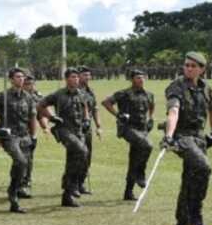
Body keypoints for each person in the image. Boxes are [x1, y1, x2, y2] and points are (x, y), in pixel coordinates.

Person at [162, 52, 212, 225]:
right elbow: (173, 111)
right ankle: (196, 214)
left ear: (202, 69)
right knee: (204, 168)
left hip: (199, 138)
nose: (188, 68)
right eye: (186, 65)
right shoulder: (176, 86)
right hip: (182, 137)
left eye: (193, 66)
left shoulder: (206, 88)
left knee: (190, 183)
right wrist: (169, 135)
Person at [0, 68, 37, 213]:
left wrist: (34, 136)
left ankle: (15, 191)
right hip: (9, 136)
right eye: (18, 77)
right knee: (20, 161)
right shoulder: (3, 96)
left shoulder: (28, 97)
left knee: (23, 165)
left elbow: (32, 117)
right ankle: (13, 193)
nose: (21, 79)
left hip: (24, 135)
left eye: (22, 77)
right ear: (11, 79)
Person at [37, 68, 89, 207]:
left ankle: (67, 195)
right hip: (64, 130)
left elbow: (85, 107)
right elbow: (40, 105)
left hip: (78, 131)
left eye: (77, 77)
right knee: (81, 151)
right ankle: (72, 185)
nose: (76, 79)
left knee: (77, 159)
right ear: (66, 79)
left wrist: (87, 120)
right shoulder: (58, 94)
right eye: (73, 77)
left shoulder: (81, 94)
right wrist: (52, 117)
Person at [101, 70, 155, 201]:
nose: (141, 80)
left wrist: (151, 119)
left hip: (142, 129)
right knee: (148, 145)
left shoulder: (148, 94)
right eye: (138, 78)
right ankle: (140, 174)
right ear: (132, 80)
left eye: (143, 77)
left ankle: (128, 192)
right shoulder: (124, 94)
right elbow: (106, 102)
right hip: (128, 128)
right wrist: (118, 115)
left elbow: (152, 106)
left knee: (135, 158)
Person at [78, 66, 102, 194]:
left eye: (88, 75)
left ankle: (81, 183)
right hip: (75, 128)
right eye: (84, 75)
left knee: (87, 156)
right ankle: (72, 184)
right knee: (78, 155)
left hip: (87, 129)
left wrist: (98, 126)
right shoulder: (74, 91)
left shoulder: (90, 91)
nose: (87, 77)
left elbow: (95, 109)